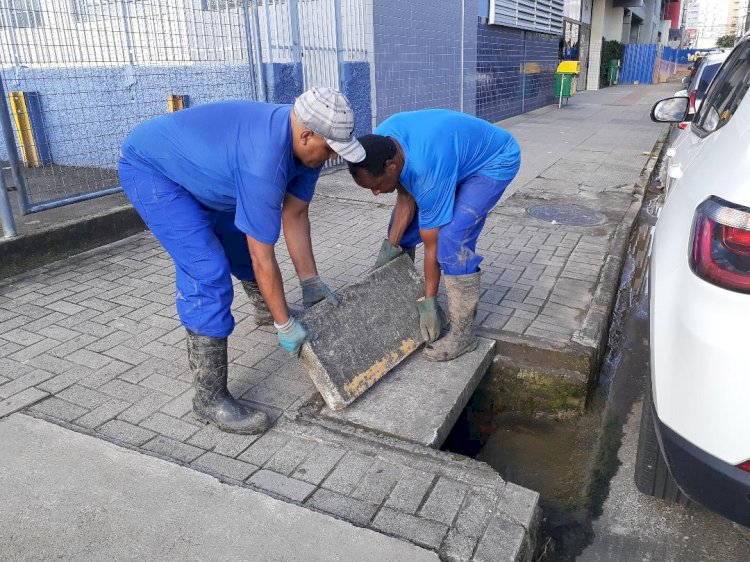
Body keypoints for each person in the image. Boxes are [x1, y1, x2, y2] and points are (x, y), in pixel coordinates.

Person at [118, 88, 365, 434]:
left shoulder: (305, 144)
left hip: (204, 171)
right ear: (307, 135)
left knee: (238, 235)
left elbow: (294, 215)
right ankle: (208, 398)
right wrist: (285, 324)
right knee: (207, 270)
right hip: (154, 172)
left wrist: (311, 283)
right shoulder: (265, 162)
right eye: (330, 149)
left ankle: (266, 308)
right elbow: (262, 254)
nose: (333, 157)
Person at [348, 109, 520, 362]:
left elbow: (432, 244)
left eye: (375, 186)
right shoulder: (383, 140)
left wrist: (430, 299)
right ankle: (405, 302)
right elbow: (406, 193)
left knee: (451, 240)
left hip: (494, 160)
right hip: (450, 158)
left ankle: (463, 335)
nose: (374, 193)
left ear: (391, 166)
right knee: (402, 231)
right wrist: (390, 249)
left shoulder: (427, 173)